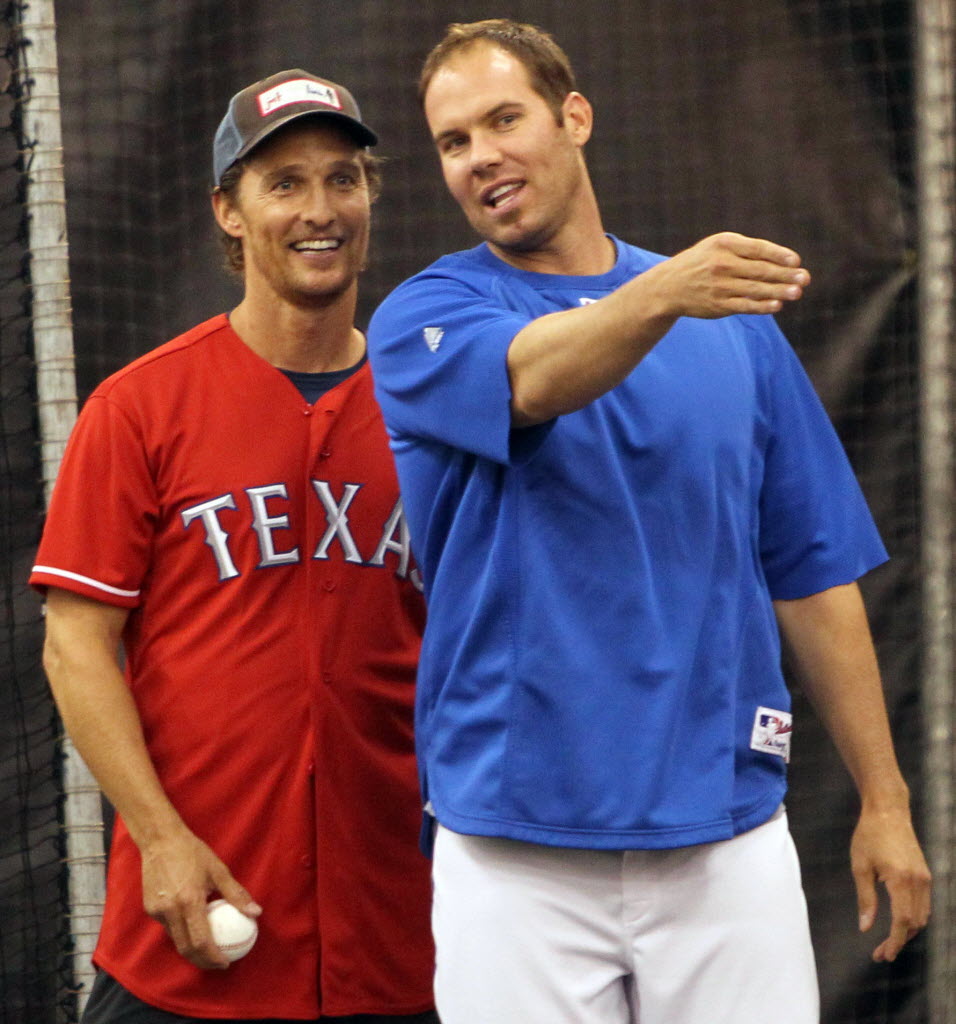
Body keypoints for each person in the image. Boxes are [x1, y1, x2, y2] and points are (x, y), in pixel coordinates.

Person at [366, 19, 930, 1024]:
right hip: (514, 852)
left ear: (573, 116)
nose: (480, 155)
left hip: (722, 839)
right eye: (453, 141)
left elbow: (808, 571)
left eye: (503, 119)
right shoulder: (425, 316)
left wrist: (882, 800)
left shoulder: (733, 330)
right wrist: (659, 292)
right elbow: (534, 377)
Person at [31, 69, 437, 1023]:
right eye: (284, 182)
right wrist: (158, 837)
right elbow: (75, 645)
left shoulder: (430, 411)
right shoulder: (139, 408)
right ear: (229, 209)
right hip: (191, 933)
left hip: (396, 940)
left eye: (344, 178)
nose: (320, 209)